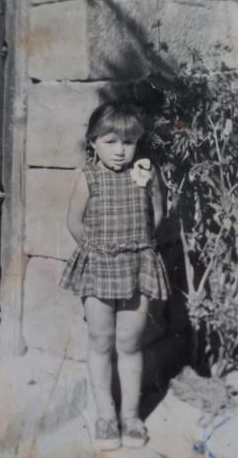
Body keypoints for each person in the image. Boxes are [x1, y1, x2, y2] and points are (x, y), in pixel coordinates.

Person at [60, 101, 170, 451]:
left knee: (129, 343)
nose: (120, 151)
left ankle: (131, 416)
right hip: (99, 268)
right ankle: (105, 416)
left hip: (137, 266)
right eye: (110, 142)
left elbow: (156, 214)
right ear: (93, 142)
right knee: (101, 340)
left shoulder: (147, 174)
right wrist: (98, 251)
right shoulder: (88, 176)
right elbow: (74, 222)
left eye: (128, 142)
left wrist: (137, 247)